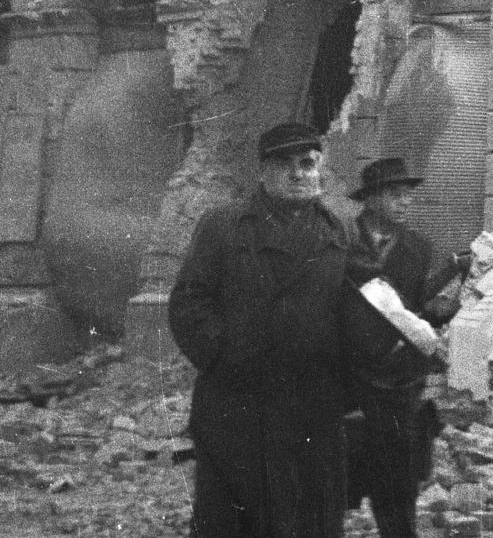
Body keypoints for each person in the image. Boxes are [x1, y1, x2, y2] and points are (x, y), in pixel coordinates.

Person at [169, 121, 353, 538]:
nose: (298, 174)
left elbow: (350, 311)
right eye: (283, 164)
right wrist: (224, 355)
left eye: (307, 163)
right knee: (233, 522)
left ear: (320, 168)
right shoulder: (223, 225)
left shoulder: (338, 232)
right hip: (238, 405)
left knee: (309, 521)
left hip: (311, 409)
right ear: (261, 173)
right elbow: (188, 301)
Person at [344, 157, 463, 538]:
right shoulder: (341, 241)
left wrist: (445, 311)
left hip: (399, 384)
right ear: (371, 199)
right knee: (338, 482)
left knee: (397, 488)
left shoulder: (417, 247)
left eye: (408, 196)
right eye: (395, 195)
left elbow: (412, 307)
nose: (404, 203)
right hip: (348, 381)